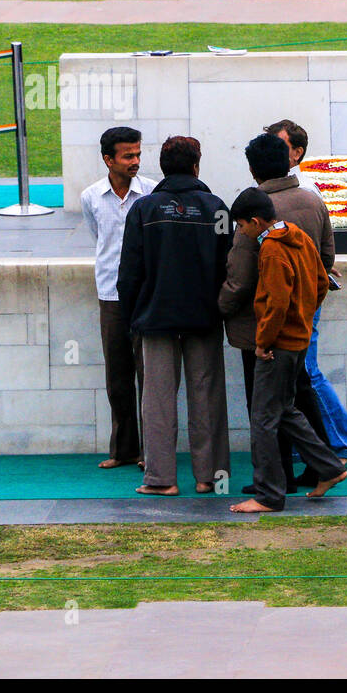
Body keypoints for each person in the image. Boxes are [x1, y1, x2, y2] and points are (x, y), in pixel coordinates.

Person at [218, 133, 336, 493]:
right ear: (289, 160)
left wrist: (219, 308)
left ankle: (276, 477)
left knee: (266, 407)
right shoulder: (313, 202)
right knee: (300, 393)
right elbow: (326, 260)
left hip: (263, 328)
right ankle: (320, 467)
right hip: (301, 318)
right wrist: (308, 306)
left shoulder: (253, 215)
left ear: (253, 169)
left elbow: (238, 280)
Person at [118, 135, 233, 496]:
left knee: (156, 400)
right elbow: (225, 264)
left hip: (155, 318)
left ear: (164, 168)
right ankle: (210, 477)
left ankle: (161, 479)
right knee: (207, 397)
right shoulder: (216, 208)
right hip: (204, 317)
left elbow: (129, 272)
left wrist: (132, 317)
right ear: (197, 165)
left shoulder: (144, 209)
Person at [228, 187, 347, 512]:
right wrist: (304, 319)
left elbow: (276, 303)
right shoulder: (299, 237)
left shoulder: (270, 249)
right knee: (286, 410)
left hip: (277, 345)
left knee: (264, 419)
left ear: (254, 222)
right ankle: (330, 468)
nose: (241, 232)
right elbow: (321, 282)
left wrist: (263, 342)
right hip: (298, 340)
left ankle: (268, 495)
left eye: (241, 226)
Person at [262, 118, 347, 464]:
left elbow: (319, 245)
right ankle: (328, 442)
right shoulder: (293, 189)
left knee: (306, 369)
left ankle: (342, 441)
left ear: (296, 152)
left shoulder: (303, 191)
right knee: (303, 370)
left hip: (299, 292)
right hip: (301, 288)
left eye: (279, 145)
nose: (272, 150)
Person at [80, 127, 157, 471]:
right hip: (110, 294)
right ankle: (124, 450)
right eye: (128, 156)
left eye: (138, 154)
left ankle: (150, 452)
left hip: (146, 295)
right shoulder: (91, 197)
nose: (135, 162)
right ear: (108, 160)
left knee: (150, 375)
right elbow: (99, 239)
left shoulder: (153, 192)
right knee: (118, 376)